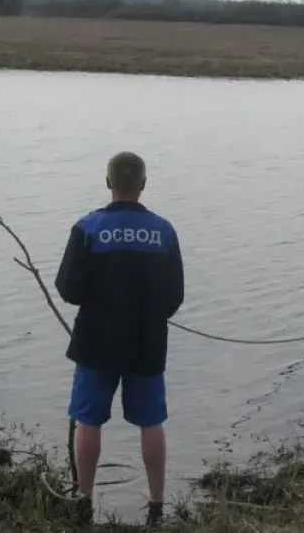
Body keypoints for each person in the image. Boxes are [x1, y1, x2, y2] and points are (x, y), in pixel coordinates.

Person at [54, 151, 184, 525]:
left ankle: (84, 498)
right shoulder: (164, 231)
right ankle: (157, 503)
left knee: (88, 420)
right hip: (147, 342)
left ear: (108, 183)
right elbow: (174, 295)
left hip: (96, 343)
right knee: (151, 422)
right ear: (143, 185)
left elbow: (68, 289)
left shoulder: (87, 228)